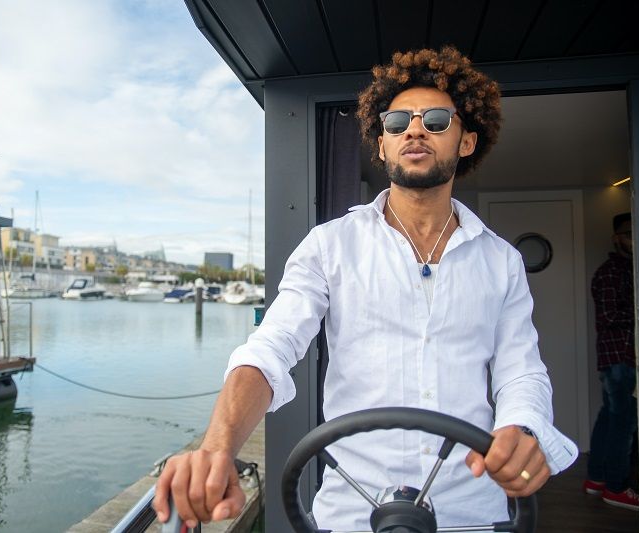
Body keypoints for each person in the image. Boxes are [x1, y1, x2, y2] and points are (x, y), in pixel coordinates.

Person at [154, 46, 577, 530]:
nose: (414, 131)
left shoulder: (501, 261)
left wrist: (522, 427)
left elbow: (521, 371)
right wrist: (217, 446)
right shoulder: (329, 246)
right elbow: (271, 347)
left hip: (472, 510)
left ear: (466, 141)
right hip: (354, 510)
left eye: (436, 120)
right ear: (381, 145)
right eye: (396, 123)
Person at [583, 212, 639, 511]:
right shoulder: (611, 272)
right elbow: (608, 316)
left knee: (610, 418)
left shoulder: (630, 269)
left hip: (622, 357)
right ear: (616, 238)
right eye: (629, 234)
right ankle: (616, 487)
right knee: (623, 423)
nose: (634, 239)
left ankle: (596, 479)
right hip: (619, 357)